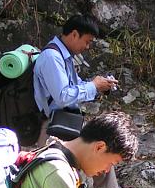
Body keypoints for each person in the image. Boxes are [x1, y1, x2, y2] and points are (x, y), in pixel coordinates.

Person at [33, 14, 118, 145]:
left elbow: (75, 84)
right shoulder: (52, 57)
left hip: (61, 120)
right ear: (74, 34)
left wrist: (99, 86)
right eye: (87, 41)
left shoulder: (64, 56)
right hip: (50, 125)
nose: (87, 47)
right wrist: (93, 86)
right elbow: (63, 97)